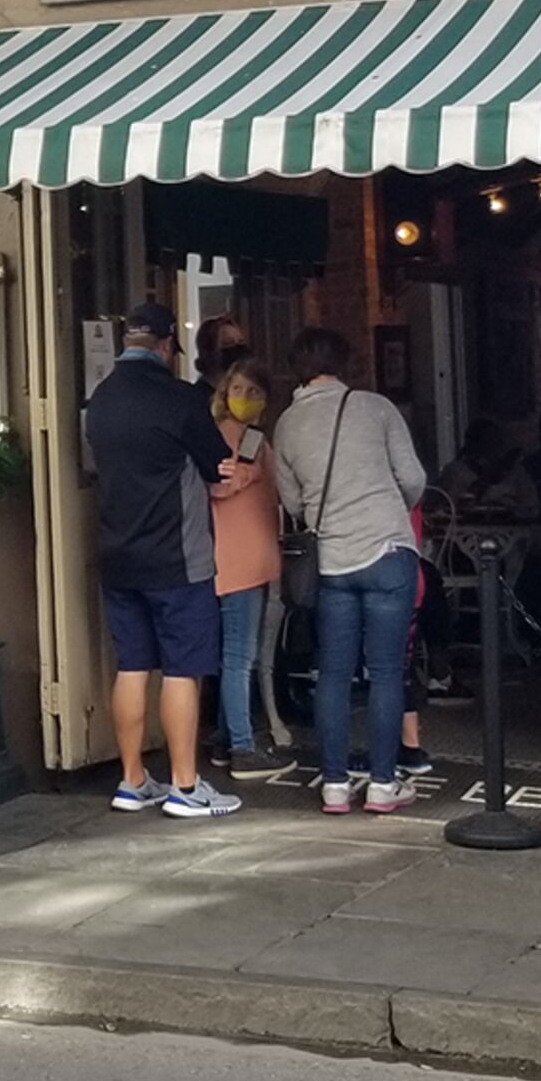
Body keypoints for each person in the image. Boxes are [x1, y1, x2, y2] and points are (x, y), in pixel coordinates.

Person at [84, 303, 247, 818]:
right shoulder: (180, 399)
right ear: (166, 345)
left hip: (117, 550)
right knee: (183, 667)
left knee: (133, 664)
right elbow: (217, 467)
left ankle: (132, 780)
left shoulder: (100, 399)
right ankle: (185, 784)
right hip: (176, 555)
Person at [273, 328, 429, 813]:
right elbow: (414, 478)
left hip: (333, 562)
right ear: (341, 363)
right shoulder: (376, 407)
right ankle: (383, 784)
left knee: (334, 674)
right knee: (385, 672)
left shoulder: (286, 425)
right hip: (386, 551)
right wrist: (387, 513)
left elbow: (293, 502)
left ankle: (335, 784)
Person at [208, 358, 285, 771]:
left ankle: (224, 737)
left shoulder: (255, 439)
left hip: (247, 558)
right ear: (224, 394)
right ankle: (242, 746)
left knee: (234, 653)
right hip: (238, 560)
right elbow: (218, 486)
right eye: (238, 390)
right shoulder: (230, 438)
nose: (245, 398)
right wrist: (249, 475)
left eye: (254, 392)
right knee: (240, 655)